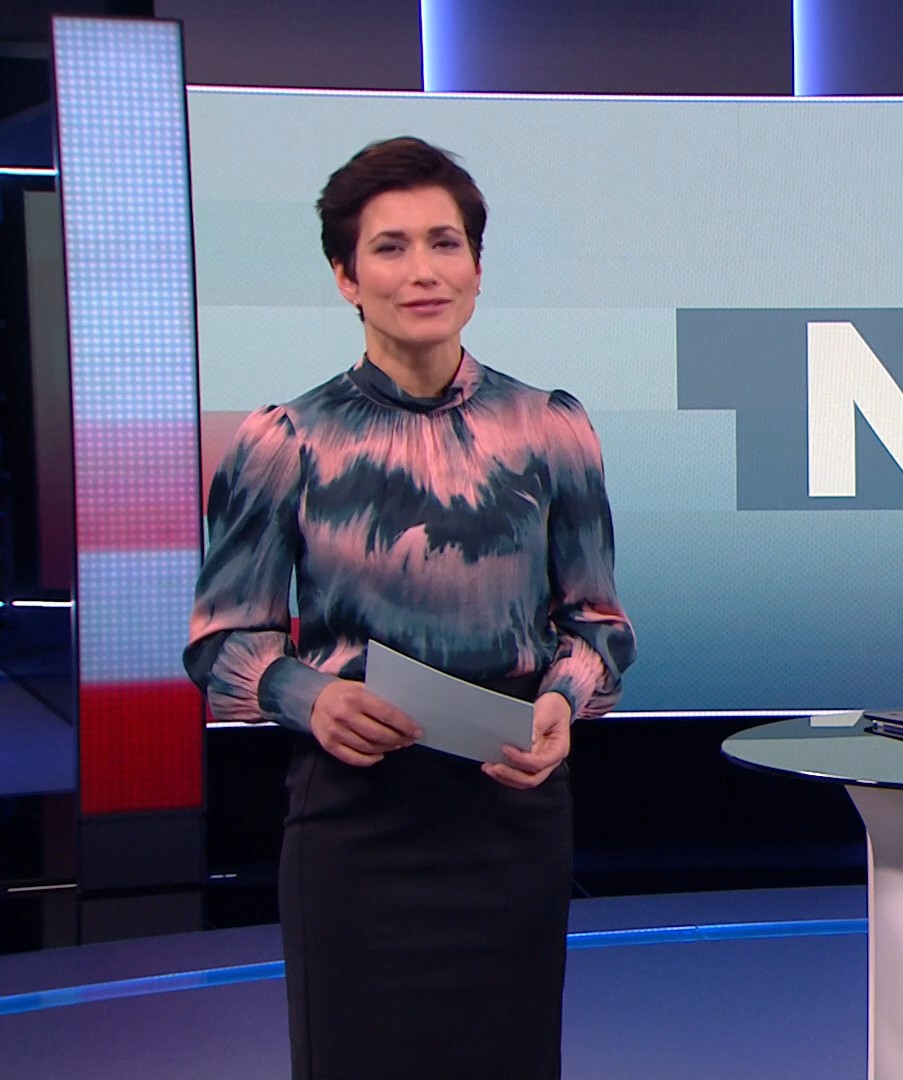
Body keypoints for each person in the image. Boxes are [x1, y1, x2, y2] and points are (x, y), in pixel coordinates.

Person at [184, 136, 636, 1080]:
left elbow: (596, 623)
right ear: (346, 278)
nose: (422, 271)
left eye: (445, 243)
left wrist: (564, 698)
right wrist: (311, 697)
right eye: (390, 248)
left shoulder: (550, 427)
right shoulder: (286, 440)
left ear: (477, 267)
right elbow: (223, 642)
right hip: (358, 819)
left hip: (511, 806)